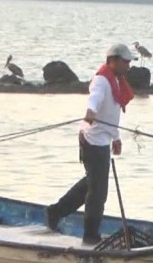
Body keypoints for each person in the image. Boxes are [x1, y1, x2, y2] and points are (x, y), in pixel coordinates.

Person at [46, 43, 136, 245]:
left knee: (92, 183)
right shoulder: (102, 80)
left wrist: (116, 136)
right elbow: (94, 101)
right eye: (125, 62)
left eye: (129, 62)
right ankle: (90, 235)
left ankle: (56, 211)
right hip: (92, 140)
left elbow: (112, 112)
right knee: (98, 191)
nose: (128, 66)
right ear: (112, 60)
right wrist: (90, 114)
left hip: (103, 138)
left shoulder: (116, 79)